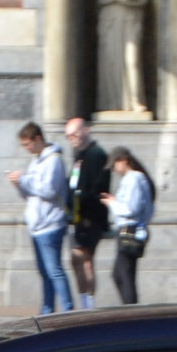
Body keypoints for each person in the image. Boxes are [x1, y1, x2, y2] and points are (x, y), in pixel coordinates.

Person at [8, 122, 73, 315]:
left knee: (55, 270)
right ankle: (47, 309)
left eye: (28, 144)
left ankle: (68, 310)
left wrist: (25, 180)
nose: (26, 149)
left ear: (38, 139)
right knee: (45, 272)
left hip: (51, 223)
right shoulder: (35, 161)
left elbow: (49, 190)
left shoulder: (54, 160)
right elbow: (31, 193)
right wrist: (19, 185)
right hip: (37, 224)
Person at [63, 115, 111, 309]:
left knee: (84, 259)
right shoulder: (78, 156)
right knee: (76, 259)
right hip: (77, 216)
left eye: (74, 134)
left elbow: (98, 186)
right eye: (69, 136)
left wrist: (82, 197)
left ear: (85, 131)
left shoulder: (96, 154)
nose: (72, 139)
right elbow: (73, 182)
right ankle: (84, 298)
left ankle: (88, 303)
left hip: (91, 216)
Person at [102, 146, 154, 306]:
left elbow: (131, 208)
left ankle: (130, 310)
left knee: (123, 274)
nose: (115, 170)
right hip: (131, 230)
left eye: (115, 164)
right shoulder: (136, 179)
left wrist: (112, 203)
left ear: (124, 160)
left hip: (130, 231)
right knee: (122, 273)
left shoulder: (133, 179)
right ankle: (130, 308)